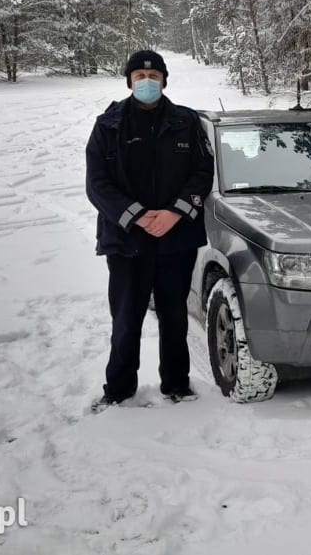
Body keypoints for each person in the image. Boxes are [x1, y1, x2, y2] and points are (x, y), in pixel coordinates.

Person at [85, 50, 214, 412]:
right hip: (127, 241)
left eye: (153, 77)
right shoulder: (108, 125)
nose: (146, 82)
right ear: (129, 81)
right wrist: (138, 216)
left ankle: (177, 384)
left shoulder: (186, 123)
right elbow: (97, 184)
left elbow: (203, 173)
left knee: (175, 317)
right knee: (126, 318)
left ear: (164, 81)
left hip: (176, 240)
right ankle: (119, 389)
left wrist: (176, 212)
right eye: (139, 78)